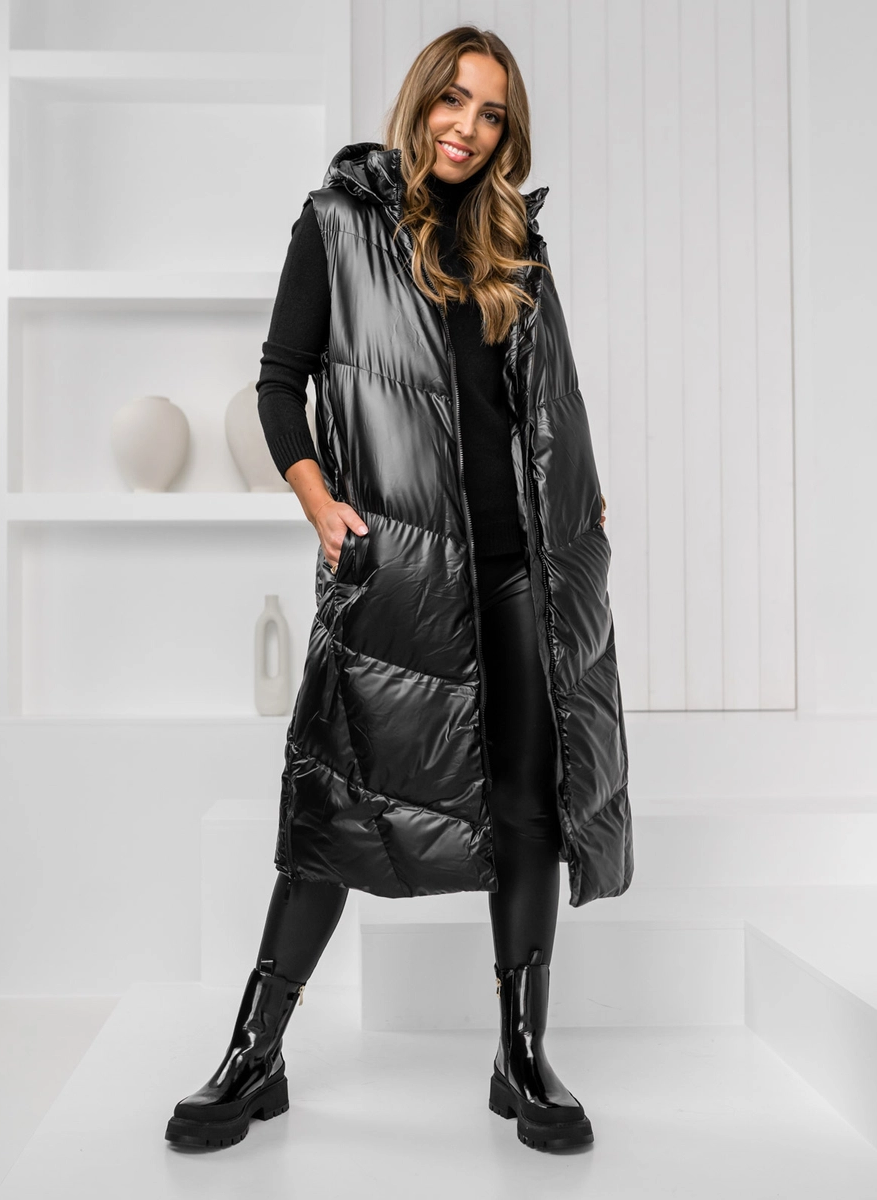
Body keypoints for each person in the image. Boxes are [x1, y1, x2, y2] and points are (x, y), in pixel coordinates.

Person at [165, 25, 633, 1155]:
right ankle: (255, 1053)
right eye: (454, 101)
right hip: (401, 567)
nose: (468, 127)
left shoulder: (517, 245)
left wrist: (584, 524)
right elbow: (278, 386)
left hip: (524, 568)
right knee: (332, 803)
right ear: (422, 100)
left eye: (492, 114)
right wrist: (319, 505)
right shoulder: (337, 223)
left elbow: (552, 408)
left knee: (527, 804)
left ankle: (521, 1056)